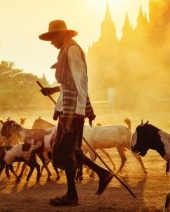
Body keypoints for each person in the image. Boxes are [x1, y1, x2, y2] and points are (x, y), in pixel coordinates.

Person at [39, 19, 113, 206]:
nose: (51, 42)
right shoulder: (66, 50)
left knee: (60, 153)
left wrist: (78, 113)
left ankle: (72, 195)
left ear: (63, 34)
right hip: (68, 109)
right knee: (72, 150)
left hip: (73, 112)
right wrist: (53, 90)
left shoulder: (71, 49)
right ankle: (102, 174)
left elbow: (81, 82)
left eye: (53, 37)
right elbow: (68, 84)